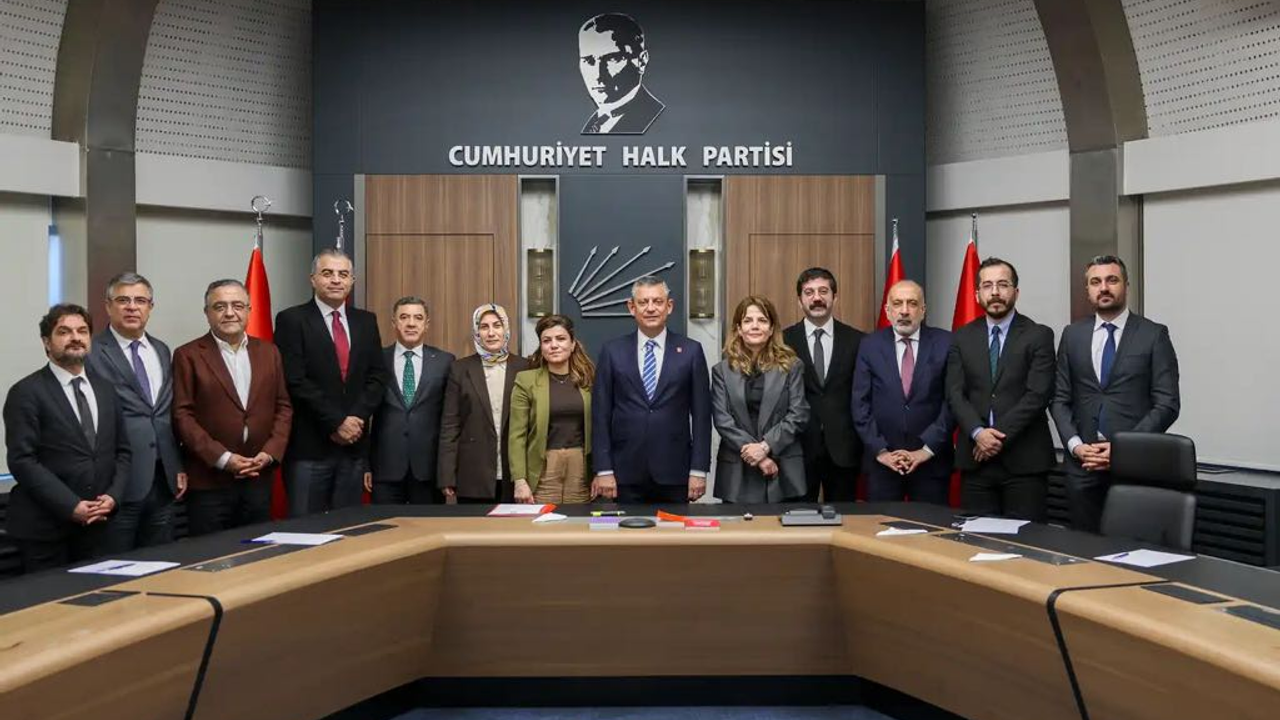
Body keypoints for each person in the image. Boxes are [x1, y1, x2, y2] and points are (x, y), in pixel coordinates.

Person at [1052, 255, 1181, 532]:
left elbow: (1167, 403)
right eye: (1095, 282)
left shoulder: (1153, 334)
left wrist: (1125, 448)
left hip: (1135, 468)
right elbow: (1060, 398)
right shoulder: (1072, 335)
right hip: (1082, 466)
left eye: (1112, 280)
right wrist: (1075, 445)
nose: (1104, 287)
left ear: (1126, 285)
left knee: (1132, 548)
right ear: (1087, 290)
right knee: (1084, 548)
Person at [4, 305, 130, 571]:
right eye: (64, 332)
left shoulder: (106, 389)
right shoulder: (25, 392)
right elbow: (22, 460)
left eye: (82, 331)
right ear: (46, 342)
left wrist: (113, 496)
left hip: (98, 527)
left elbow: (122, 452)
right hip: (46, 531)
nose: (75, 337)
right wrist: (71, 506)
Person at [171, 280, 293, 535]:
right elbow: (182, 416)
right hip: (209, 483)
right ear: (207, 313)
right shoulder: (188, 355)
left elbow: (283, 406)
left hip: (258, 477)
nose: (229, 313)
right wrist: (223, 459)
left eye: (237, 305)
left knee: (258, 551)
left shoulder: (269, 352)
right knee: (211, 554)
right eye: (220, 306)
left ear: (249, 310)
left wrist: (269, 452)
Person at [274, 248, 388, 516]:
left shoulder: (366, 321)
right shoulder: (292, 319)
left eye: (343, 274)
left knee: (348, 527)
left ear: (352, 281)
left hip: (353, 448)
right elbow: (294, 379)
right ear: (313, 279)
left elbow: (377, 376)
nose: (336, 280)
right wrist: (337, 422)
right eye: (328, 273)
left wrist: (355, 419)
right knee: (305, 529)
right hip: (310, 448)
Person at [946, 258, 1056, 521]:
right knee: (976, 540)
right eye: (987, 285)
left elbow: (1037, 395)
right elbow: (955, 393)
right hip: (976, 462)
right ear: (977, 294)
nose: (995, 292)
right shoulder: (961, 337)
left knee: (1027, 541)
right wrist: (978, 432)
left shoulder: (1039, 335)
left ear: (1016, 292)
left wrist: (994, 438)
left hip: (1025, 463)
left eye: (1003, 285)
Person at [84, 272, 184, 551]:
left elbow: (164, 414)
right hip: (116, 484)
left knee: (161, 562)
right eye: (123, 300)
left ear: (150, 307)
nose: (132, 307)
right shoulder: (91, 352)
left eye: (140, 301)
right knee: (116, 564)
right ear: (108, 306)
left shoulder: (162, 350)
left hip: (163, 480)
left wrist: (176, 464)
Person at [591, 276, 712, 504]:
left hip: (675, 472)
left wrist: (698, 470)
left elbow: (702, 417)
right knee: (627, 528)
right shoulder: (612, 352)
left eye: (657, 301)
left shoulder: (691, 351)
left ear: (669, 306)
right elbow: (600, 415)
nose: (650, 308)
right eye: (643, 302)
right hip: (624, 472)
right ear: (632, 307)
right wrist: (603, 469)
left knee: (674, 528)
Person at [852, 280, 954, 504]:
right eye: (897, 304)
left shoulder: (946, 343)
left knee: (931, 525)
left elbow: (952, 402)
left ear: (923, 310)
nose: (905, 311)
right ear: (887, 311)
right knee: (881, 525)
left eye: (912, 303)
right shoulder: (869, 345)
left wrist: (926, 450)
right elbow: (860, 404)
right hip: (883, 463)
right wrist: (881, 451)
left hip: (931, 462)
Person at [712, 296, 809, 503]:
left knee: (782, 524)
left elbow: (798, 414)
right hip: (738, 471)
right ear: (739, 329)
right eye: (748, 321)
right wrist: (758, 456)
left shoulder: (792, 366)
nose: (755, 326)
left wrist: (765, 447)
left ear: (772, 329)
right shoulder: (721, 371)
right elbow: (723, 420)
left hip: (782, 466)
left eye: (762, 320)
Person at [781, 267, 865, 502]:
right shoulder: (783, 342)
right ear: (799, 301)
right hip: (797, 448)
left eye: (823, 291)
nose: (816, 298)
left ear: (834, 297)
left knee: (844, 518)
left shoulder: (857, 340)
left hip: (844, 449)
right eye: (809, 292)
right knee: (797, 517)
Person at [438, 304, 531, 503]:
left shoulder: (526, 368)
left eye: (497, 325)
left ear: (506, 329)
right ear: (476, 332)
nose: (491, 333)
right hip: (473, 474)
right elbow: (450, 426)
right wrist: (447, 475)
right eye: (484, 327)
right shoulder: (460, 369)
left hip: (516, 476)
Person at [365, 297, 454, 504]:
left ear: (426, 324)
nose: (411, 323)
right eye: (404, 317)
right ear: (394, 323)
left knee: (427, 523)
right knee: (384, 524)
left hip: (428, 469)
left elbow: (450, 420)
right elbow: (363, 413)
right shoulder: (377, 359)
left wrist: (447, 471)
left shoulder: (445, 361)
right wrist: (365, 465)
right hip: (385, 468)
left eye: (418, 318)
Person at [509, 315, 594, 504]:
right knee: (542, 521)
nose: (554, 345)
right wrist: (520, 480)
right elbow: (517, 435)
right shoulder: (526, 381)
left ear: (572, 344)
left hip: (580, 470)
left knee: (578, 520)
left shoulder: (589, 380)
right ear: (541, 346)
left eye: (560, 339)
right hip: (542, 471)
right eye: (547, 341)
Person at [578, 12, 665, 134]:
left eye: (612, 59)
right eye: (588, 60)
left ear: (641, 62)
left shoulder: (655, 117)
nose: (598, 76)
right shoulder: (594, 122)